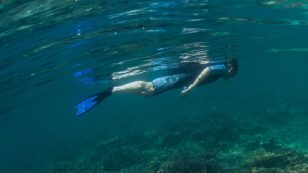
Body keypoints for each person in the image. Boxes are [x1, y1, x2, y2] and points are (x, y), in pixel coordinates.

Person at [76, 58, 238, 116]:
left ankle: (113, 91)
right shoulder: (222, 67)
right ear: (230, 68)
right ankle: (112, 90)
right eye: (233, 73)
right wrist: (191, 88)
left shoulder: (223, 72)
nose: (232, 76)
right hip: (181, 77)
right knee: (150, 88)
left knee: (148, 94)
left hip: (180, 79)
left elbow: (223, 77)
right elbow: (208, 70)